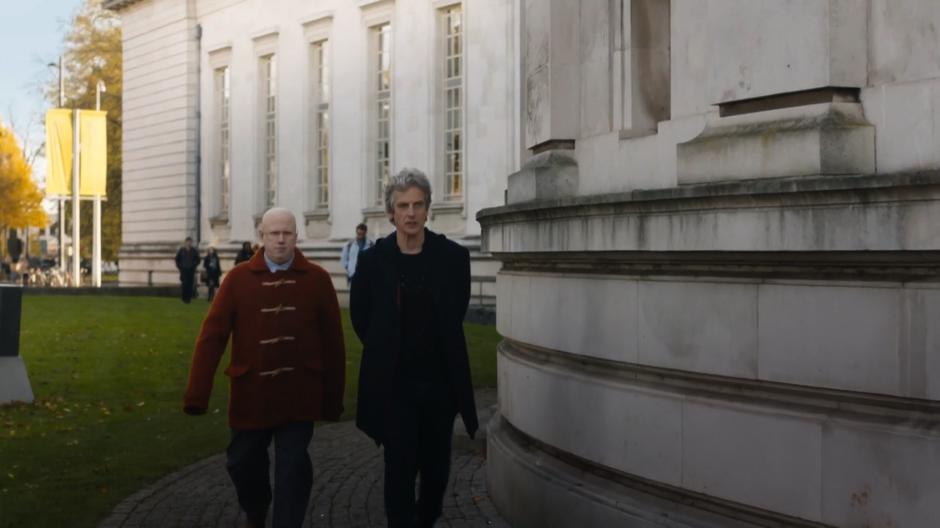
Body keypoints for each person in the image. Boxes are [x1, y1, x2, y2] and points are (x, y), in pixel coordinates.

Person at [184, 207, 346, 528]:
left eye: (287, 233)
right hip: (251, 394)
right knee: (242, 463)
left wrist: (332, 399)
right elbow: (212, 337)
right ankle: (256, 509)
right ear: (262, 237)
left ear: (296, 237)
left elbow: (333, 344)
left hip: (300, 393)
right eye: (274, 233)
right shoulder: (237, 280)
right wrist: (196, 395)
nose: (281, 240)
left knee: (293, 468)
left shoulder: (317, 280)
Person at [350, 168, 478, 528]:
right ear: (391, 212)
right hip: (395, 387)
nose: (410, 213)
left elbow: (456, 311)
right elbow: (362, 318)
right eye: (403, 205)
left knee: (436, 469)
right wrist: (385, 349)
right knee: (399, 468)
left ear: (428, 209)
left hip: (439, 385)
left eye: (417, 205)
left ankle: (426, 519)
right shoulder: (373, 262)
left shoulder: (453, 259)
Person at [175, 237, 200, 303]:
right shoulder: (181, 250)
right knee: (184, 284)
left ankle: (188, 300)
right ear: (185, 242)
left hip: (191, 271)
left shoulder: (194, 251)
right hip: (183, 271)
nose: (189, 243)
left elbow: (198, 260)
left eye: (190, 242)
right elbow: (177, 259)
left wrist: (194, 265)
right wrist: (180, 267)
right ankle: (183, 299)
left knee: (190, 285)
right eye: (188, 242)